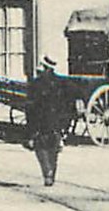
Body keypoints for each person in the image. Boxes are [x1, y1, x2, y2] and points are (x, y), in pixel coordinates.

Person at [26, 56, 74, 185]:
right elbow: (68, 105)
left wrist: (30, 127)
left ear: (44, 67)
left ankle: (47, 172)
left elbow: (30, 107)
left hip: (40, 121)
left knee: (40, 148)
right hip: (56, 122)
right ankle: (51, 173)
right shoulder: (62, 83)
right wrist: (65, 124)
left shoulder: (35, 83)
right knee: (54, 150)